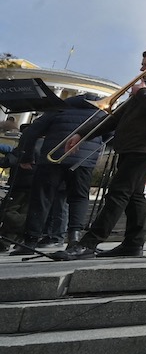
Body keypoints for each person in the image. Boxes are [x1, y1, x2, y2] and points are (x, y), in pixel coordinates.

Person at [51, 49, 146, 260]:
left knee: (118, 192)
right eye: (143, 64)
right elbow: (115, 117)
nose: (142, 69)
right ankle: (133, 244)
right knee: (134, 196)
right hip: (131, 145)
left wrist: (142, 93)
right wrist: (82, 134)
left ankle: (89, 243)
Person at [10, 95, 109, 255]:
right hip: (83, 162)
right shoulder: (100, 114)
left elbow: (32, 131)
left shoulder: (58, 109)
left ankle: (30, 242)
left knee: (41, 198)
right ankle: (74, 239)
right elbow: (110, 135)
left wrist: (26, 156)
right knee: (79, 198)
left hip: (52, 160)